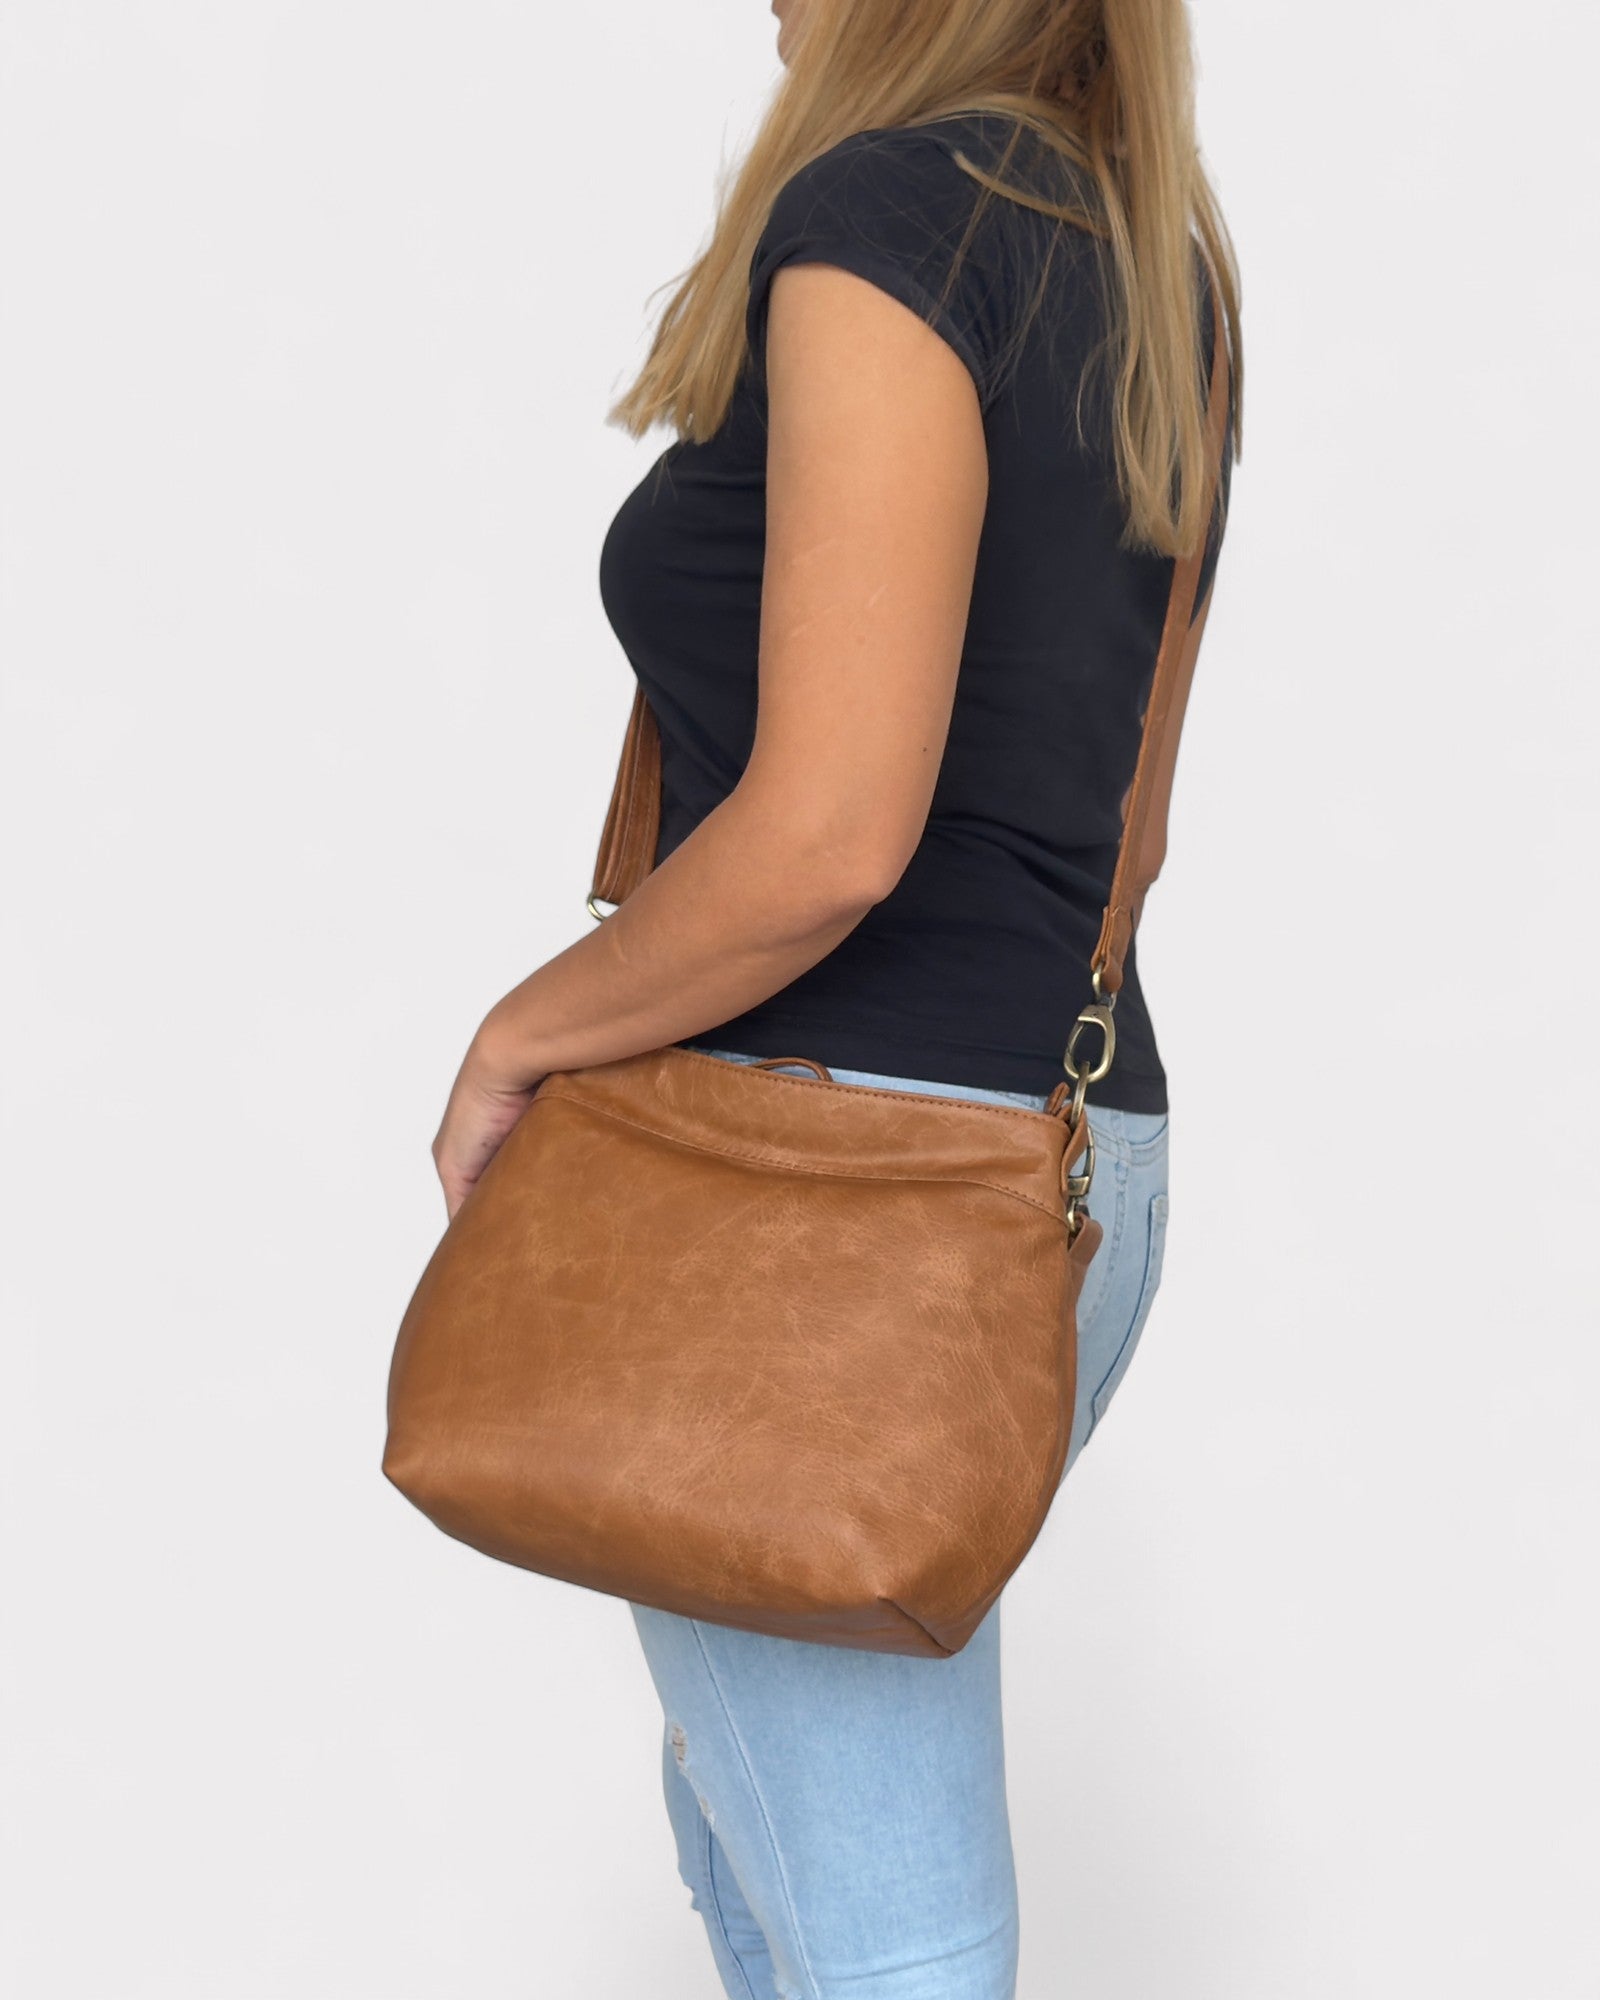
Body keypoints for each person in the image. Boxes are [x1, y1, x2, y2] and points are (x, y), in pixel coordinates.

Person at [427, 0, 1240, 1991]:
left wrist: (518, 1034)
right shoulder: (1151, 256)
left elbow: (827, 837)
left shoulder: (887, 221)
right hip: (1066, 1169)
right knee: (765, 1838)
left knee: (888, 1949)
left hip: (813, 1211)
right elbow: (1127, 831)